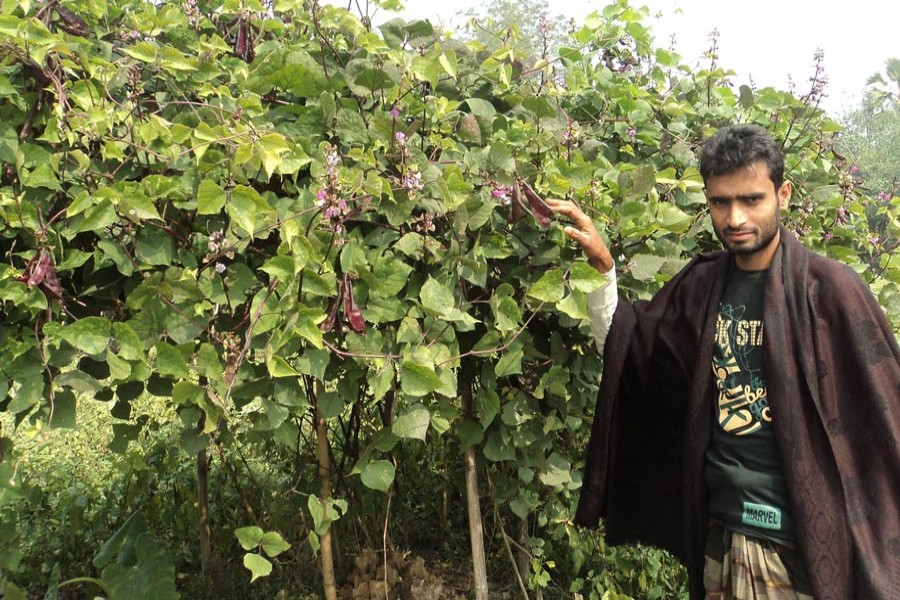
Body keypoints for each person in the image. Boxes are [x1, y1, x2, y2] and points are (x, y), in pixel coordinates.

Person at [545, 124, 900, 600]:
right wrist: (604, 269)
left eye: (752, 200)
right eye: (720, 202)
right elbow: (629, 352)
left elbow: (885, 419)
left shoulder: (831, 291)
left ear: (784, 194)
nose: (735, 217)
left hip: (797, 548)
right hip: (720, 533)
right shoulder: (701, 287)